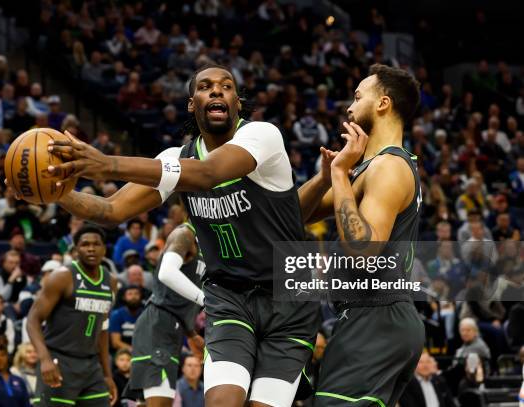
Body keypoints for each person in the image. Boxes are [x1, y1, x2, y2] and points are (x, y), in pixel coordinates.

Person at [43, 63, 320, 407]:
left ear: (237, 102)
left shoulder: (263, 136)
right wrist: (52, 192)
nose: (217, 90)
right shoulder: (176, 159)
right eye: (205, 86)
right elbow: (111, 210)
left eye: (226, 86)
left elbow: (208, 173)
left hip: (289, 300)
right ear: (192, 103)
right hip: (230, 297)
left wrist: (107, 163)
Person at [298, 64, 425, 406]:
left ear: (383, 104)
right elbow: (291, 215)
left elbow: (363, 249)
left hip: (376, 316)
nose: (349, 107)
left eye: (357, 97)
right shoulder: (371, 168)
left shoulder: (388, 167)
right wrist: (328, 177)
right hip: (375, 317)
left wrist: (339, 175)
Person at [26, 225, 118, 406]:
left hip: (91, 366)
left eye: (96, 244)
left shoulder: (111, 281)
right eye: (85, 244)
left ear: (104, 249)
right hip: (60, 360)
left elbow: (103, 329)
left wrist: (107, 374)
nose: (91, 248)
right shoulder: (62, 277)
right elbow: (33, 320)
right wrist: (44, 359)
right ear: (76, 250)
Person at [128, 223, 204, 406]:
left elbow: (180, 299)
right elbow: (167, 273)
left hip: (173, 328)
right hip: (158, 325)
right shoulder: (185, 233)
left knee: (151, 403)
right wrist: (206, 300)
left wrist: (191, 334)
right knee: (160, 402)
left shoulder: (207, 243)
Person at [109, 285, 143, 352]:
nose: (133, 297)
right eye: (130, 294)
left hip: (141, 350)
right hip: (121, 353)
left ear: (141, 297)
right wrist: (135, 351)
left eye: (136, 294)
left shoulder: (145, 314)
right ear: (124, 297)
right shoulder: (117, 314)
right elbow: (115, 343)